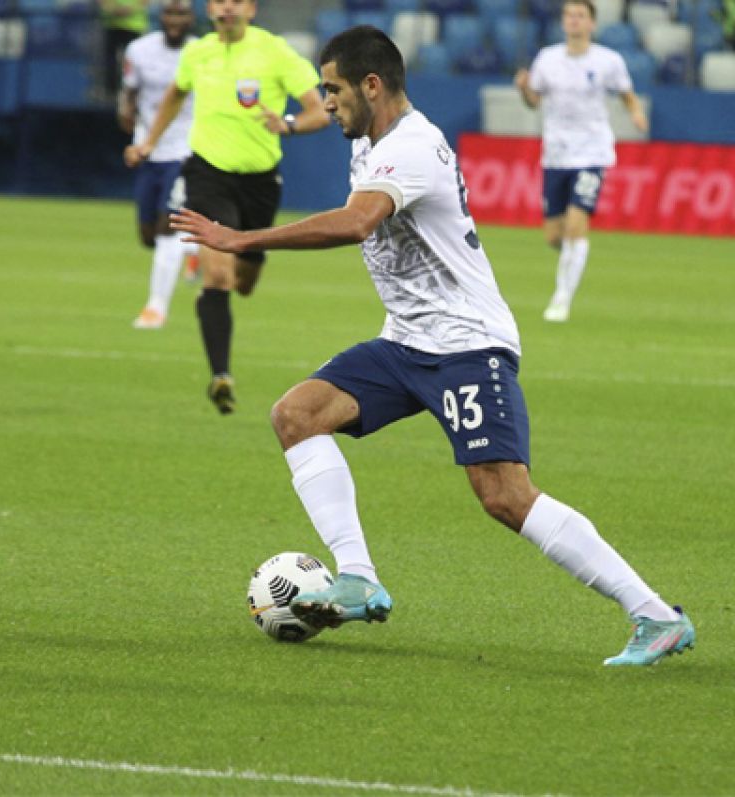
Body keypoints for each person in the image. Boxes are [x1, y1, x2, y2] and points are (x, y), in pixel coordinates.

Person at [172, 26, 693, 666]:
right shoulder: (371, 143)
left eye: (332, 89)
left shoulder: (412, 146)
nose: (324, 102)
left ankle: (655, 614)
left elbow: (358, 221)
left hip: (468, 346)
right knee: (297, 415)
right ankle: (358, 575)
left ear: (372, 85)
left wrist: (244, 238)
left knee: (504, 494)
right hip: (406, 343)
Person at [126, 0, 329, 414]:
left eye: (235, 1)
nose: (226, 8)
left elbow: (319, 111)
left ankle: (246, 260)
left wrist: (288, 124)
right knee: (217, 275)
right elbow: (174, 95)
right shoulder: (198, 53)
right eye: (218, 1)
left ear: (251, 9)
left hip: (259, 182)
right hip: (206, 174)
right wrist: (149, 141)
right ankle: (221, 375)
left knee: (245, 281)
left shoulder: (274, 52)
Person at [514, 0, 647, 323]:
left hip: (592, 152)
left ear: (592, 24)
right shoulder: (548, 59)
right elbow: (534, 101)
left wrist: (635, 111)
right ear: (563, 22)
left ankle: (561, 299)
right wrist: (523, 89)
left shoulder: (608, 61)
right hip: (556, 154)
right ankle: (574, 257)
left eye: (581, 15)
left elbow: (625, 92)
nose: (574, 20)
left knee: (576, 224)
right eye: (569, 15)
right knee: (554, 236)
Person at [119, 0, 198, 329]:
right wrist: (128, 126)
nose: (175, 20)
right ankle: (193, 247)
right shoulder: (139, 50)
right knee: (148, 234)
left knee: (168, 227)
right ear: (160, 16)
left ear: (192, 17)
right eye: (169, 13)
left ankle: (155, 308)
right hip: (150, 150)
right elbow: (129, 94)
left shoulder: (201, 53)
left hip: (186, 150)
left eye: (181, 13)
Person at [100, 0, 149, 98]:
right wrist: (113, 9)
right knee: (110, 61)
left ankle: (134, 91)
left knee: (134, 61)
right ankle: (111, 92)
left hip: (135, 26)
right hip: (112, 25)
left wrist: (128, 10)